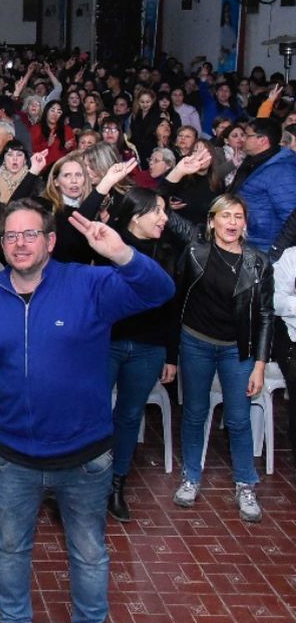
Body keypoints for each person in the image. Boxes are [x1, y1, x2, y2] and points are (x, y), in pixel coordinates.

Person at [0, 199, 174, 623]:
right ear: (1, 244)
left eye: (30, 234)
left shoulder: (89, 283)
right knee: (10, 548)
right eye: (11, 236)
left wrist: (122, 254)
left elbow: (160, 292)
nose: (20, 244)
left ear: (51, 241)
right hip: (13, 454)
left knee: (89, 551)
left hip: (85, 456)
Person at [168, 194, 272, 523]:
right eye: (225, 216)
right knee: (195, 413)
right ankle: (191, 477)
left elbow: (266, 316)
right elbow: (176, 300)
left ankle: (245, 484)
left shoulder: (258, 261)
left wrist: (259, 364)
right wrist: (171, 352)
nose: (232, 222)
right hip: (196, 342)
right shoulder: (196, 253)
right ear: (211, 222)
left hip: (237, 349)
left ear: (245, 223)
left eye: (238, 216)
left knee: (239, 419)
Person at [101, 188, 177, 522]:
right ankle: (87, 480)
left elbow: (175, 308)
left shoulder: (170, 251)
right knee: (94, 411)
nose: (165, 218)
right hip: (108, 343)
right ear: (135, 216)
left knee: (130, 416)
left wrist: (171, 356)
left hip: (149, 347)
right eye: (157, 211)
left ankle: (117, 484)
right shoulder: (108, 247)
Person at [227, 118, 296, 253]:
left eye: (247, 135)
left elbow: (290, 215)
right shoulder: (254, 161)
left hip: (265, 245)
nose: (242, 139)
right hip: (249, 239)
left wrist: (277, 251)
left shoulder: (282, 169)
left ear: (262, 140)